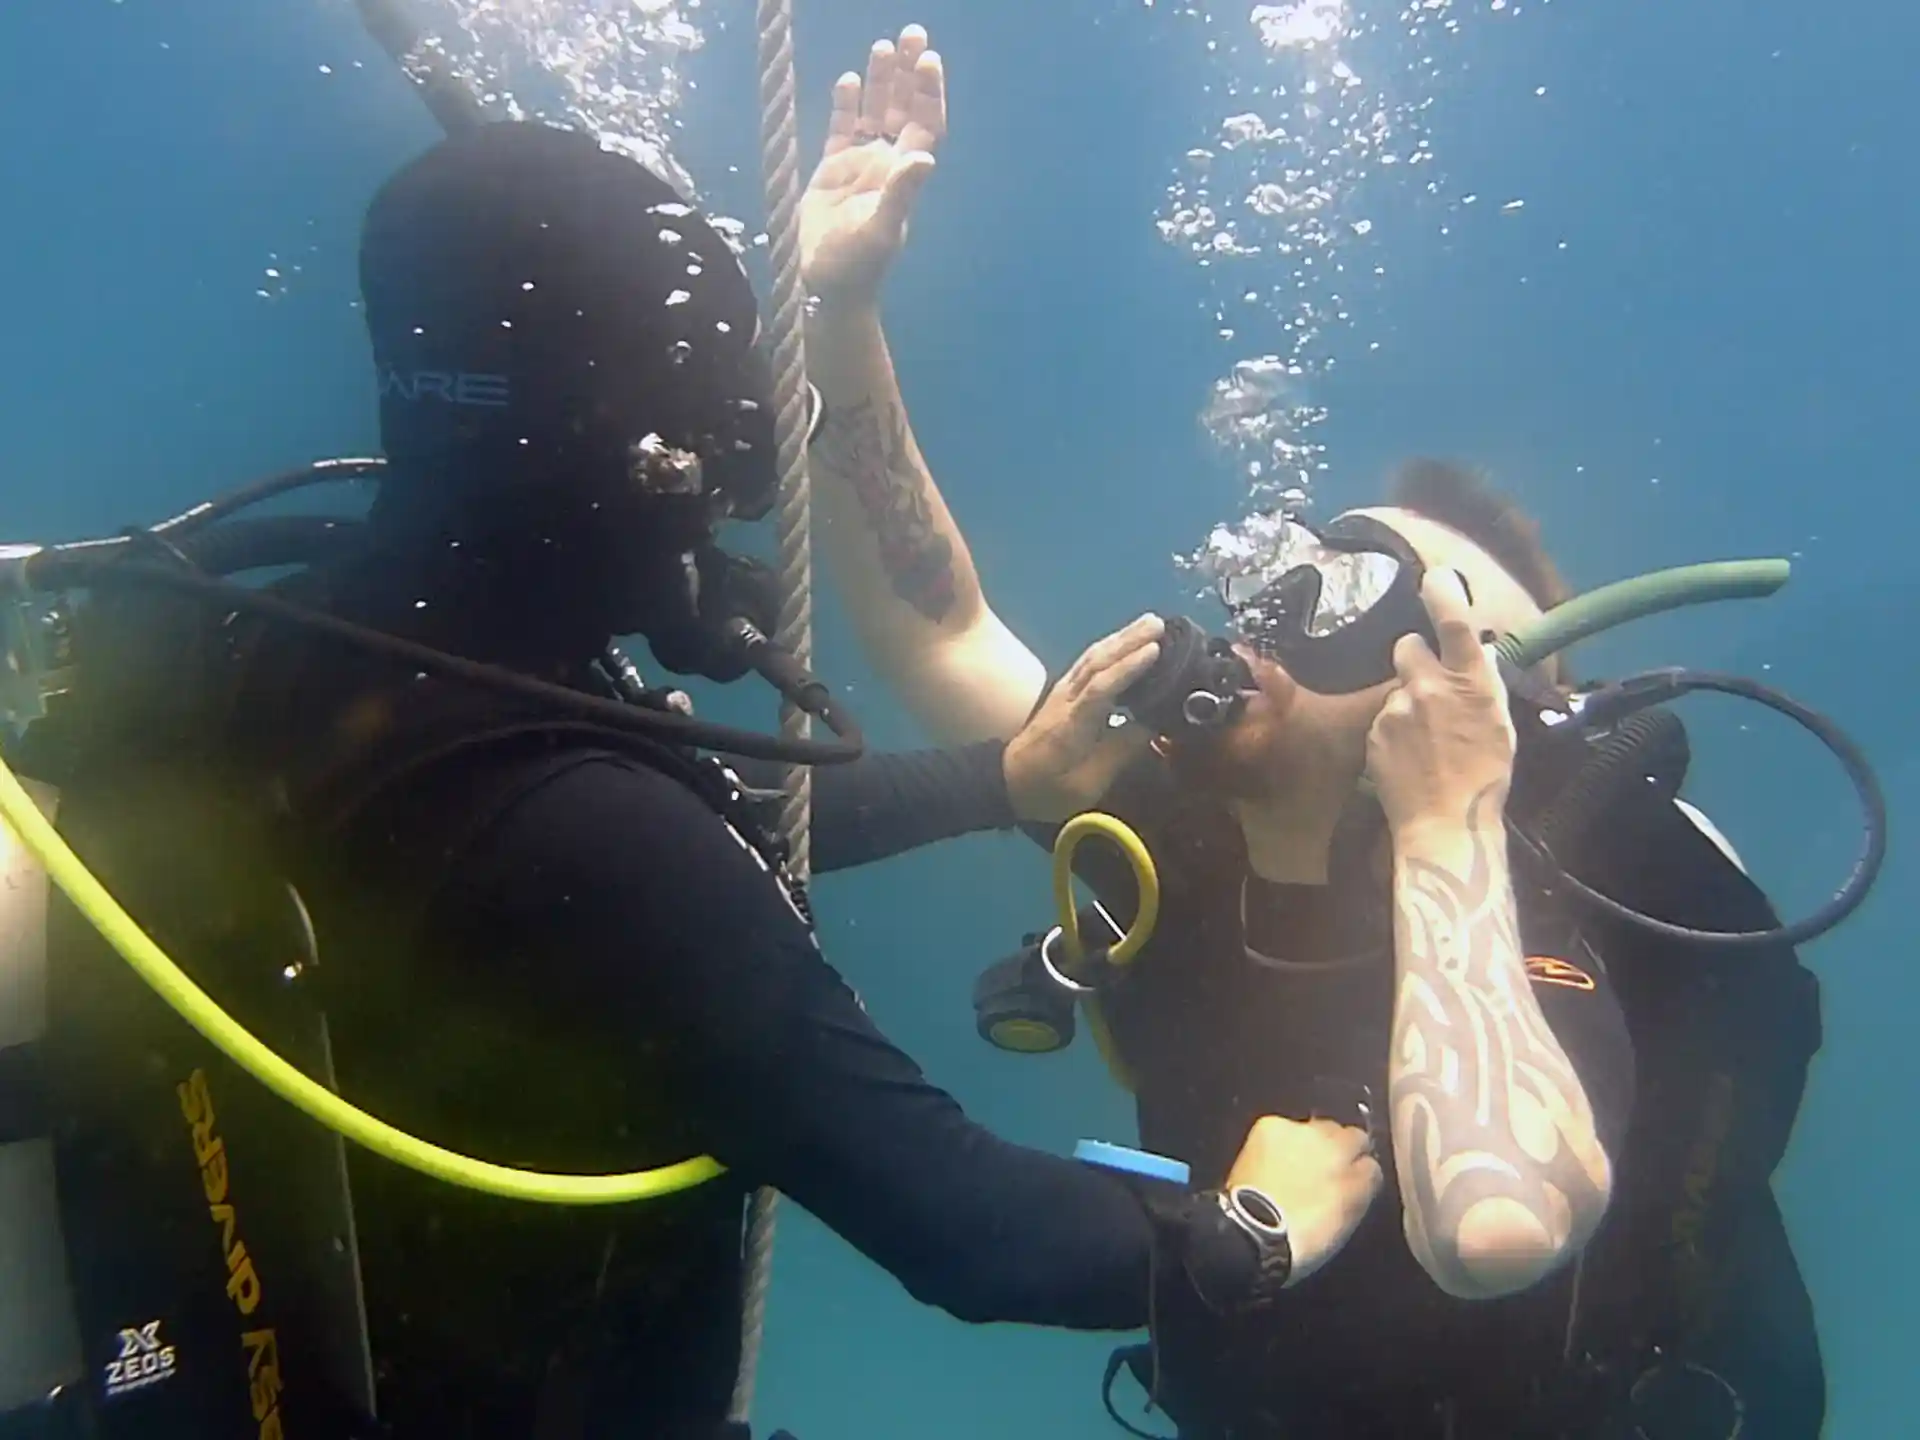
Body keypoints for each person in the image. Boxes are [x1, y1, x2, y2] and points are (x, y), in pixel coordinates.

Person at [0, 104, 1393, 1440]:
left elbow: (684, 821)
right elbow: (975, 1232)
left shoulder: (295, 637)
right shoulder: (582, 826)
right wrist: (1247, 1231)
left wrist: (1000, 779)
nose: (729, 510)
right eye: (714, 464)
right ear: (642, 456)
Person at [793, 27, 1827, 1439]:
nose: (1275, 612)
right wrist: (839, 311)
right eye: (1286, 575)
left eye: (1350, 591)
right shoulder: (1165, 823)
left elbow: (1497, 1227)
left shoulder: (1538, 882)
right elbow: (940, 626)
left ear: (1452, 689)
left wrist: (1449, 825)